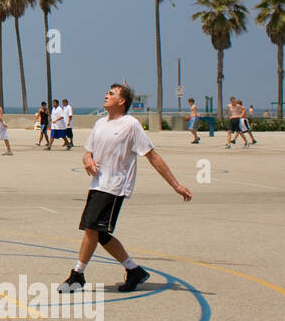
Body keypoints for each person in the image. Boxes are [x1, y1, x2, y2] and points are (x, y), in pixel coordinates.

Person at [59, 84, 192, 294]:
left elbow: (152, 156)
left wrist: (176, 185)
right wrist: (87, 160)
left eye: (111, 93)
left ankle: (77, 275)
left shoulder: (131, 125)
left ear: (122, 101)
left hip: (114, 186)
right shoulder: (100, 123)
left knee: (92, 229)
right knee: (99, 233)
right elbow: (88, 152)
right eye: (107, 92)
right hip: (97, 184)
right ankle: (134, 270)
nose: (106, 95)